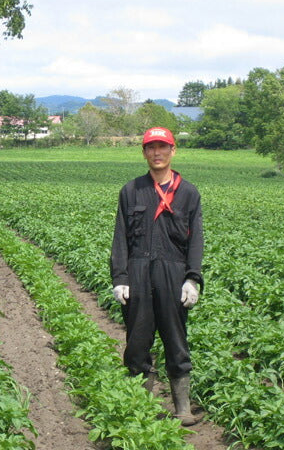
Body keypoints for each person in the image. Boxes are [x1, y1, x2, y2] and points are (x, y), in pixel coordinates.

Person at [110, 127, 203, 426]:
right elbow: (120, 237)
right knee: (137, 343)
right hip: (137, 272)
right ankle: (142, 407)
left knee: (176, 340)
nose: (157, 152)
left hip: (173, 272)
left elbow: (196, 239)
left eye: (163, 147)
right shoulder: (131, 190)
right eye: (151, 148)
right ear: (144, 153)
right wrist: (120, 277)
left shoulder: (188, 192)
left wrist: (193, 278)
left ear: (173, 150)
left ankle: (182, 407)